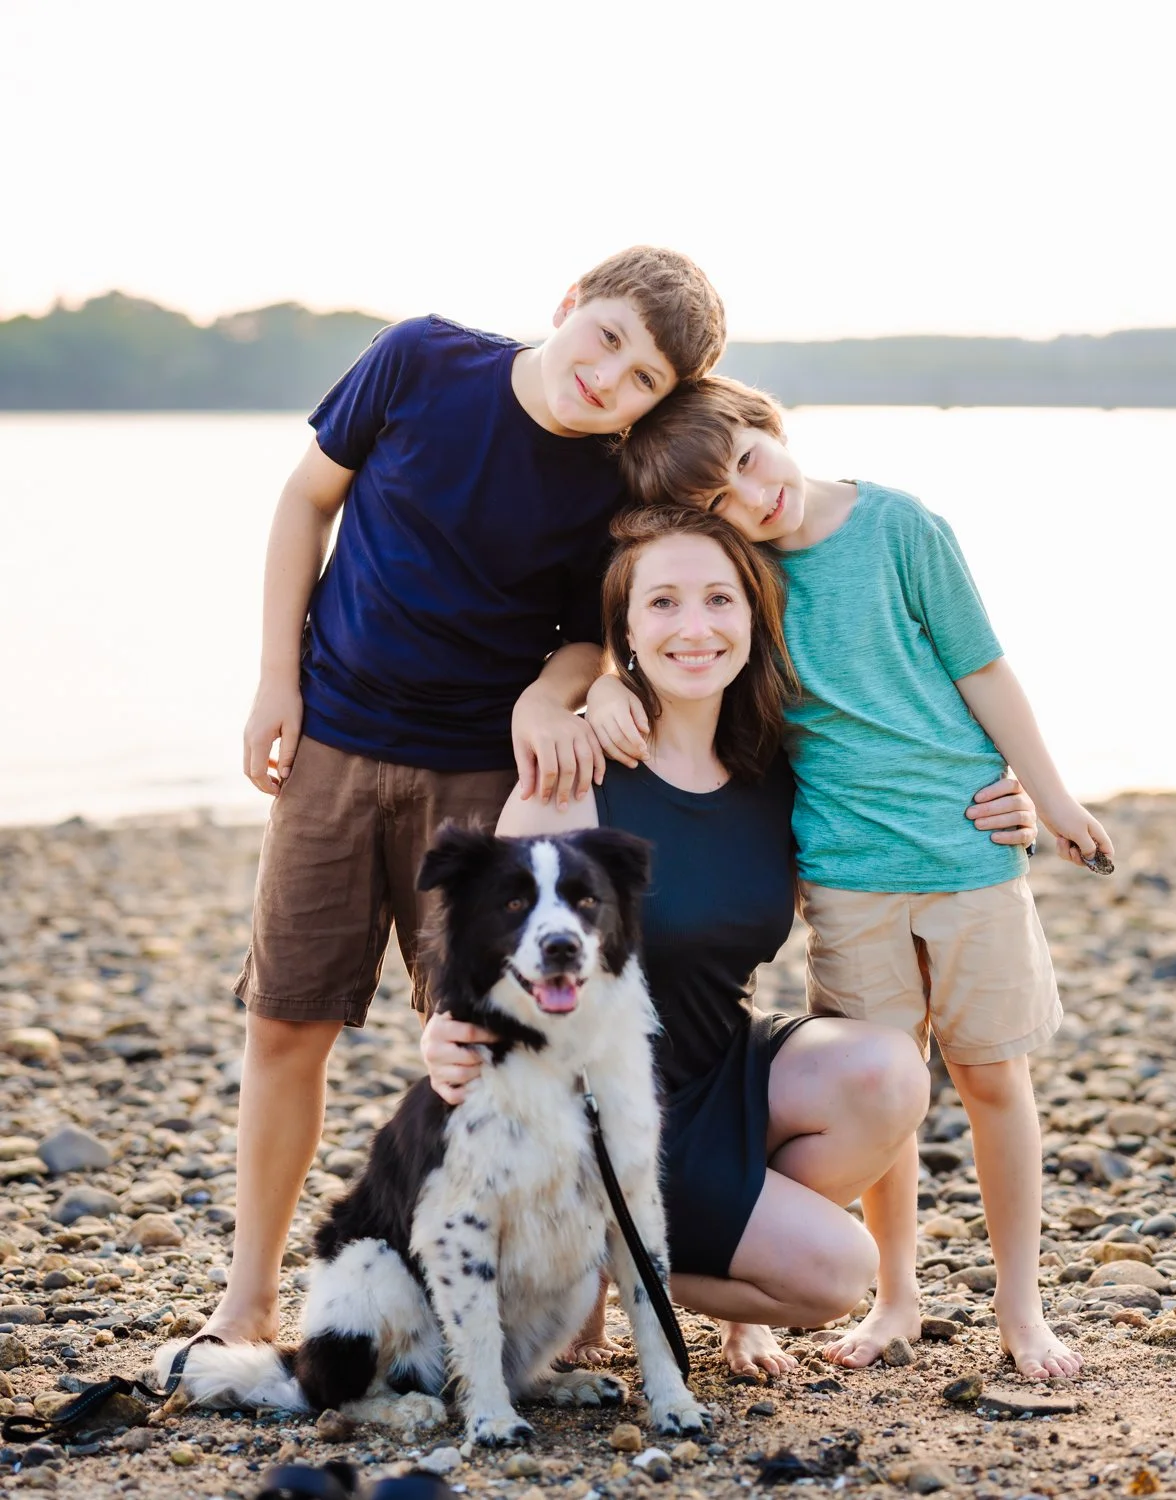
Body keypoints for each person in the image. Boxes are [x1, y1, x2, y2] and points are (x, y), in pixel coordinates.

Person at [201, 248, 727, 1348]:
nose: (611, 381)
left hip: (484, 780)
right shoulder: (419, 359)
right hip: (335, 743)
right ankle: (248, 1298)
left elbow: (591, 630)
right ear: (572, 302)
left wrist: (548, 697)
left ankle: (520, 1311)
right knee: (288, 1022)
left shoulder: (611, 483)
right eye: (611, 342)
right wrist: (274, 678)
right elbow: (307, 502)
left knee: (484, 1041)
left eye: (643, 383)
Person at [422, 506, 1037, 1377]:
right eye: (663, 604)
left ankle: (642, 1256)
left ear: (754, 618)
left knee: (889, 1068)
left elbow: (906, 791)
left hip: (723, 1071)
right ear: (626, 631)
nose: (696, 627)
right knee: (838, 1274)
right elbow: (487, 942)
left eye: (719, 599)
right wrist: (444, 1031)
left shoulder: (775, 765)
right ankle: (603, 1242)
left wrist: (1010, 804)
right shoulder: (578, 774)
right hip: (600, 1115)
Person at [593, 376, 1115, 1381]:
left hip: (966, 856)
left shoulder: (902, 527)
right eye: (721, 504)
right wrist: (603, 686)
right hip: (843, 870)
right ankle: (897, 1298)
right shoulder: (745, 578)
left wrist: (1048, 799)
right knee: (889, 1084)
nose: (754, 499)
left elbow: (981, 668)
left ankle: (1023, 1306)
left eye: (752, 463)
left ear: (770, 426)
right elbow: (665, 638)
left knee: (992, 1081)